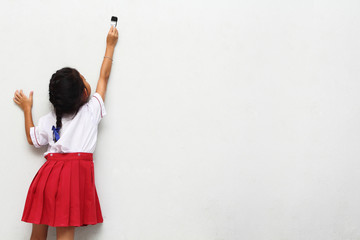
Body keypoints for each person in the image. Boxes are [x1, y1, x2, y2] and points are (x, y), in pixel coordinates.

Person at [13, 25, 118, 240]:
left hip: (46, 177)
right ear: (84, 93)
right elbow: (104, 78)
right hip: (71, 180)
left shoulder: (51, 118)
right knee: (65, 233)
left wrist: (27, 110)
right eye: (83, 79)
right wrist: (110, 46)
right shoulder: (91, 112)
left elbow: (32, 139)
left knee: (38, 234)